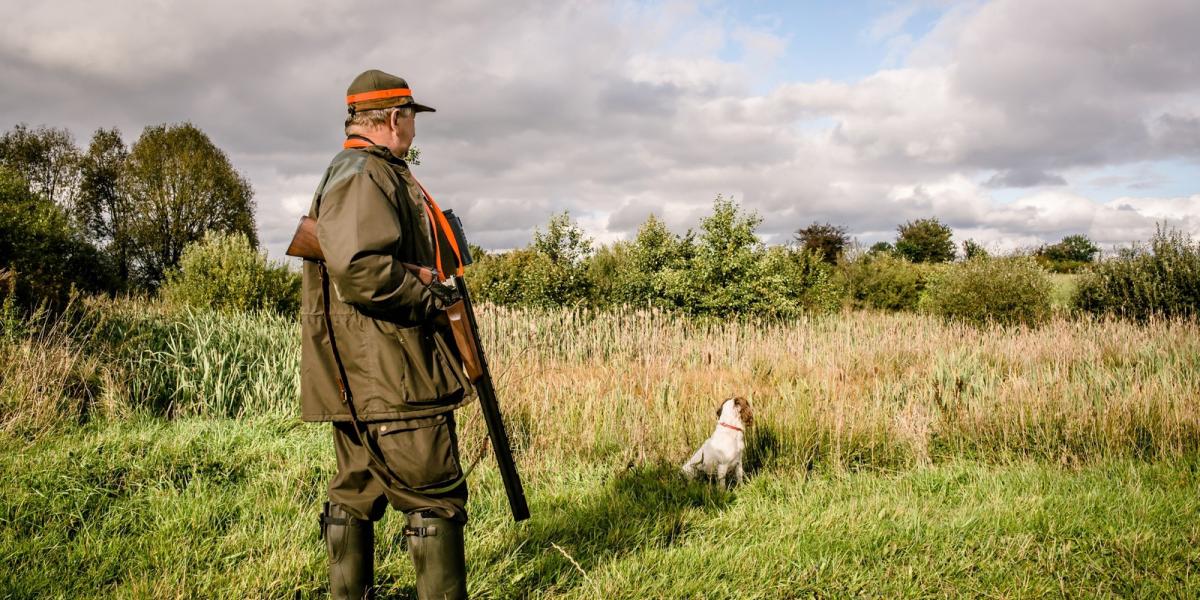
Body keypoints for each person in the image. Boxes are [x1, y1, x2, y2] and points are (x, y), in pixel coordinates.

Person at [301, 69, 473, 600]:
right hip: (395, 375)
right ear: (395, 119)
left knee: (356, 491)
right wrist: (431, 300)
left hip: (364, 377)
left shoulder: (361, 170)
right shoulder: (364, 173)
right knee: (434, 495)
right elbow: (361, 270)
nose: (415, 132)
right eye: (412, 120)